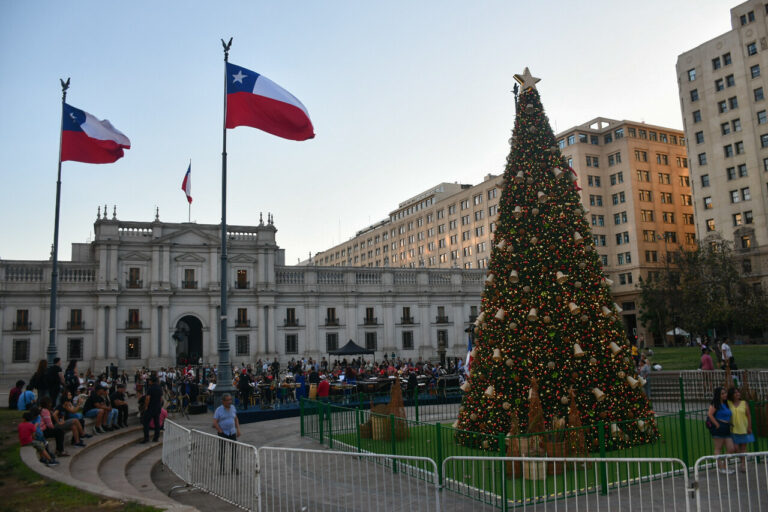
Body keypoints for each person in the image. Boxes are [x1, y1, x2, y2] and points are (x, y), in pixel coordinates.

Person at [707, 386, 735, 474]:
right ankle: (720, 467)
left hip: (726, 427)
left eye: (725, 393)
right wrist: (717, 424)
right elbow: (710, 414)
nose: (724, 395)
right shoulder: (716, 404)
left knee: (731, 448)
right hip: (719, 427)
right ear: (718, 395)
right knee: (718, 448)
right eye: (722, 394)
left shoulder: (726, 404)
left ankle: (724, 465)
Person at [727, 387, 754, 473]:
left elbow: (749, 415)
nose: (738, 394)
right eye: (735, 393)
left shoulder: (744, 403)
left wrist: (749, 426)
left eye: (738, 392)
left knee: (743, 447)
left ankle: (743, 464)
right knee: (735, 448)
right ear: (732, 395)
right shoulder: (729, 403)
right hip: (734, 429)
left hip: (743, 428)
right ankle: (740, 459)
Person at [212, 393, 241, 474]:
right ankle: (222, 469)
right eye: (228, 400)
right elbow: (215, 422)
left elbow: (236, 418)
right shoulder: (219, 410)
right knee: (222, 451)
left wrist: (238, 429)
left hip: (232, 432)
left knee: (234, 451)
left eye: (230, 400)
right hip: (223, 433)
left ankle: (234, 468)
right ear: (223, 401)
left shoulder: (233, 408)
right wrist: (220, 430)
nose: (229, 402)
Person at [141, 375, 164, 443]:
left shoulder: (150, 388)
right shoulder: (159, 388)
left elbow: (148, 398)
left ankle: (146, 438)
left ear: (151, 381)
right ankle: (156, 438)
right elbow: (161, 399)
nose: (148, 381)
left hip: (150, 408)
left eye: (149, 380)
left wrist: (146, 406)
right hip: (157, 407)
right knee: (157, 423)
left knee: (146, 422)